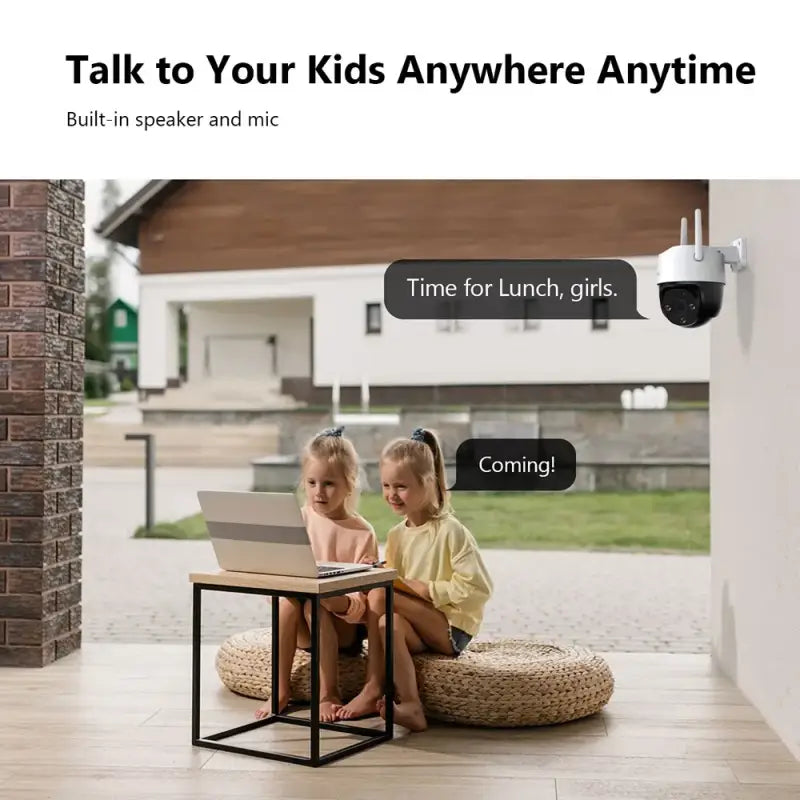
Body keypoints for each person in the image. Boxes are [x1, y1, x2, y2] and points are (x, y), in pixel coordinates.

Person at [337, 427, 493, 731]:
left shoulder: (451, 531)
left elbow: (479, 589)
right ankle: (411, 705)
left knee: (380, 596)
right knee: (386, 623)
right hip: (417, 625)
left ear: (429, 483)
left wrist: (424, 588)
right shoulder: (397, 535)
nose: (391, 495)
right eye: (386, 485)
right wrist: (377, 570)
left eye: (401, 486)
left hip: (451, 628)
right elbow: (398, 584)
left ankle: (372, 688)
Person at [254, 426, 378, 723]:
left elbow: (365, 604)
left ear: (349, 485)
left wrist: (339, 602)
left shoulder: (362, 533)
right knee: (289, 603)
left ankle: (328, 693)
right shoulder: (298, 519)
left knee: (316, 605)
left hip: (343, 627)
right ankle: (280, 688)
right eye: (311, 483)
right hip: (301, 626)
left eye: (329, 484)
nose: (318, 492)